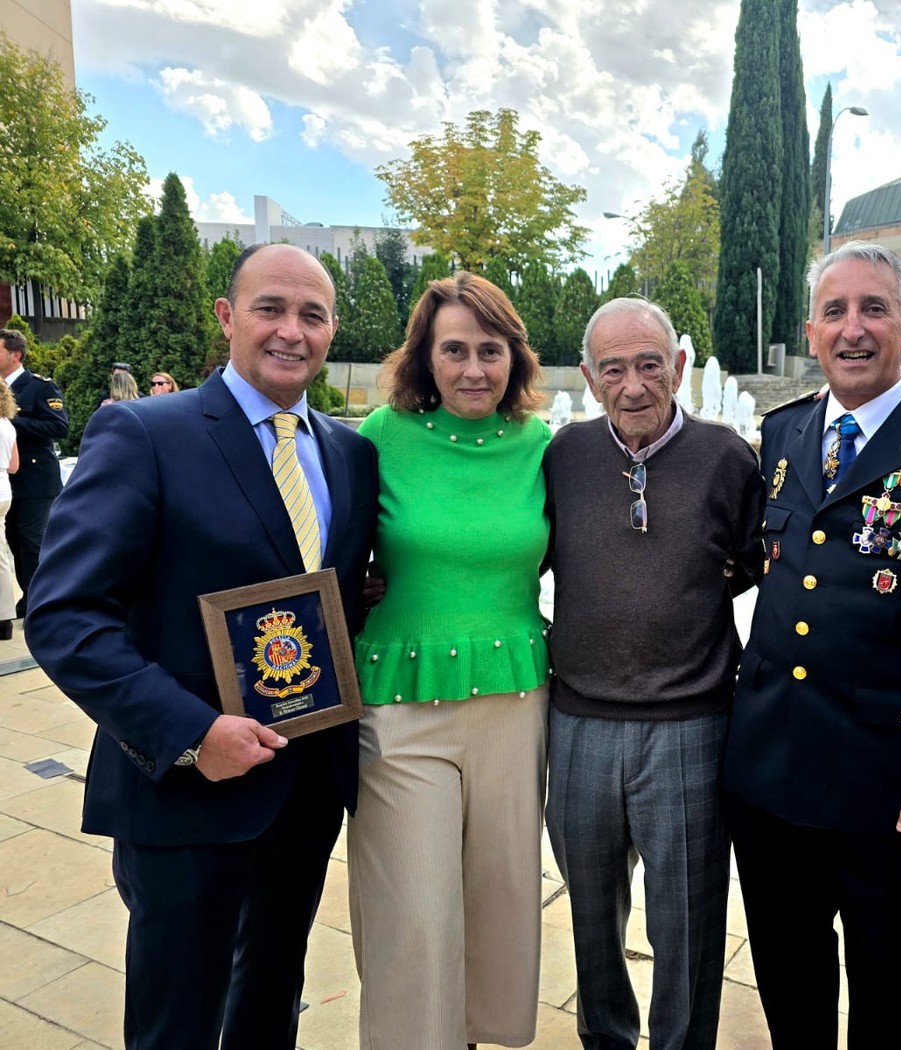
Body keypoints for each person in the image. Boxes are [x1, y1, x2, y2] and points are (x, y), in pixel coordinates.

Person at [22, 243, 379, 1050]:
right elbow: (64, 613)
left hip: (304, 792)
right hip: (188, 793)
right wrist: (191, 733)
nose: (291, 331)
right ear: (226, 317)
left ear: (331, 330)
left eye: (313, 315)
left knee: (269, 1007)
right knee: (177, 1023)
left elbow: (316, 589)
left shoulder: (350, 453)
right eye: (270, 308)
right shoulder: (145, 432)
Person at [723, 241, 901, 1050]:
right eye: (835, 312)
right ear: (812, 333)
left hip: (890, 791)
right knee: (789, 983)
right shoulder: (783, 432)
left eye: (874, 309)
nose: (853, 329)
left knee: (886, 996)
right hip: (769, 774)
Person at [544, 297, 764, 1050]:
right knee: (590, 918)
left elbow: (753, 561)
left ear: (678, 366)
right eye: (613, 369)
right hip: (578, 721)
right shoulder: (563, 455)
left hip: (690, 726)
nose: (633, 385)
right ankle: (605, 1038)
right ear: (588, 377)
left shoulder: (728, 457)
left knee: (689, 925)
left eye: (649, 365)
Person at [348, 272, 551, 1049]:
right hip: (400, 705)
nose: (473, 368)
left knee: (500, 900)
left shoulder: (539, 445)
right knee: (415, 912)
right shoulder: (381, 436)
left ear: (514, 358)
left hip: (515, 702)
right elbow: (323, 539)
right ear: (425, 358)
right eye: (454, 350)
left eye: (490, 351)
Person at [0, 327, 68, 618]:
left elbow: (59, 426)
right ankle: (29, 595)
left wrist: (11, 422)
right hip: (9, 479)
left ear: (15, 355)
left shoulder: (40, 387)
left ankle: (41, 600)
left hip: (36, 479)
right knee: (14, 541)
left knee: (32, 542)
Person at [0, 381, 19, 640]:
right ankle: (4, 617)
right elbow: (14, 465)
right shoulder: (8, 425)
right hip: (4, 492)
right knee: (2, 556)